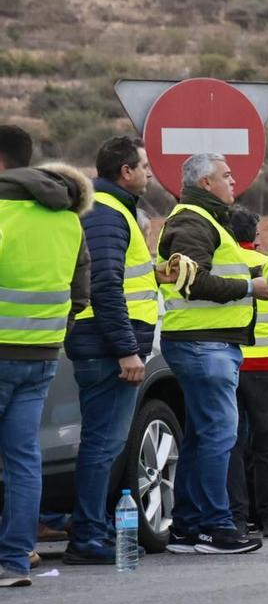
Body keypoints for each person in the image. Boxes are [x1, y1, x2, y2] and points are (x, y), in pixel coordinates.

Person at [157, 151, 268, 556]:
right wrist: (249, 289)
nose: (233, 181)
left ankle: (189, 527)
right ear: (205, 183)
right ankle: (214, 526)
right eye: (225, 175)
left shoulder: (204, 220)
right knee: (219, 436)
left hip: (206, 343)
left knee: (203, 437)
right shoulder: (192, 221)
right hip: (202, 343)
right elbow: (194, 282)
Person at [0, 127, 90, 588]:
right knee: (21, 459)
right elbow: (81, 293)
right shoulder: (66, 219)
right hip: (41, 356)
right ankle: (13, 561)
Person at [62, 136, 157, 564]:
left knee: (104, 443)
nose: (151, 173)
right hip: (106, 348)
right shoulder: (106, 211)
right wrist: (126, 350)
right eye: (145, 166)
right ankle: (87, 536)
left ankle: (89, 530)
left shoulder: (113, 210)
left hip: (104, 344)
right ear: (126, 172)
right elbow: (104, 285)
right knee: (103, 444)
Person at [227, 204, 268, 539]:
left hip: (229, 363)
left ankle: (235, 518)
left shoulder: (222, 267)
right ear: (254, 234)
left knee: (231, 444)